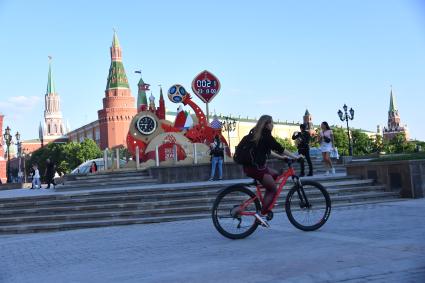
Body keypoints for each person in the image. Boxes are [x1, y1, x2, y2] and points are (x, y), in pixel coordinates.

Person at [240, 115, 299, 227]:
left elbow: (269, 152)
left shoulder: (257, 134)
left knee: (276, 175)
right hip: (256, 168)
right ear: (266, 124)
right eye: (272, 123)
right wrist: (295, 156)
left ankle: (268, 202)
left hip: (252, 166)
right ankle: (261, 214)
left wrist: (283, 158)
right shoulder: (266, 136)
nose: (273, 125)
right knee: (273, 189)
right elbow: (280, 148)